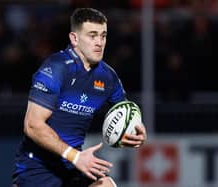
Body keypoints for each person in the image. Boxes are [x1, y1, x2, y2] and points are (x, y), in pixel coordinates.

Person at [12, 8, 147, 187]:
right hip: (37, 169)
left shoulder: (108, 77)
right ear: (74, 38)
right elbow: (32, 125)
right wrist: (75, 156)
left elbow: (125, 111)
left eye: (103, 35)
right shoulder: (56, 68)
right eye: (92, 35)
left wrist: (136, 130)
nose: (99, 42)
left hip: (72, 167)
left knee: (106, 185)